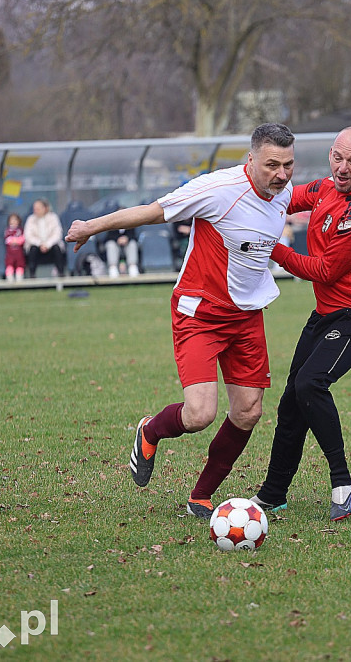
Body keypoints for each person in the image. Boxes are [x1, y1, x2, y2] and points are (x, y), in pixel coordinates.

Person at [64, 122, 296, 518]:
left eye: (288, 165)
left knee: (249, 412)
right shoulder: (216, 189)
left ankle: (201, 496)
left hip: (247, 315)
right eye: (272, 164)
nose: (282, 174)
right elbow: (152, 212)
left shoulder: (283, 189)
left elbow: (314, 195)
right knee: (200, 414)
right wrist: (92, 226)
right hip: (200, 311)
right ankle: (150, 430)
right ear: (251, 158)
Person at [252, 125, 351, 522]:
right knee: (291, 401)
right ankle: (273, 494)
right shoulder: (328, 186)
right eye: (338, 158)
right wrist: (251, 199)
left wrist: (271, 247)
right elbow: (290, 197)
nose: (343, 168)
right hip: (327, 315)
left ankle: (342, 482)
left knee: (311, 384)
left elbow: (325, 270)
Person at [23, 198, 67, 278]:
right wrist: (40, 244)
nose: (36, 210)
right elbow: (28, 236)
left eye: (38, 208)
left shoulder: (53, 217)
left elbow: (57, 234)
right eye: (35, 209)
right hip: (36, 247)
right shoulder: (30, 219)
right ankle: (32, 276)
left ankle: (61, 274)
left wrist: (47, 244)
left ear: (45, 208)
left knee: (57, 248)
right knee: (32, 249)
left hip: (51, 247)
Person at [4, 212, 26, 282]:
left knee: (20, 264)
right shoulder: (7, 231)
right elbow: (7, 240)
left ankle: (19, 277)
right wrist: (14, 240)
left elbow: (23, 239)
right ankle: (10, 277)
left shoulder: (21, 230)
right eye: (12, 220)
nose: (13, 222)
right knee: (9, 264)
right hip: (10, 254)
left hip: (19, 253)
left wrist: (17, 241)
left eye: (15, 220)